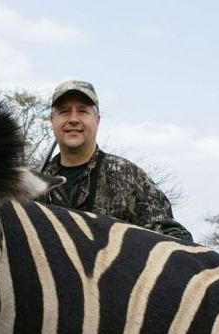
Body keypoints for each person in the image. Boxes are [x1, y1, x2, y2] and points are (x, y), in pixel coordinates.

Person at [40, 80, 193, 241]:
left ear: (97, 120)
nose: (73, 119)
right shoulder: (35, 184)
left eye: (82, 111)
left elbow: (174, 236)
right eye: (64, 111)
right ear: (52, 120)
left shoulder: (128, 175)